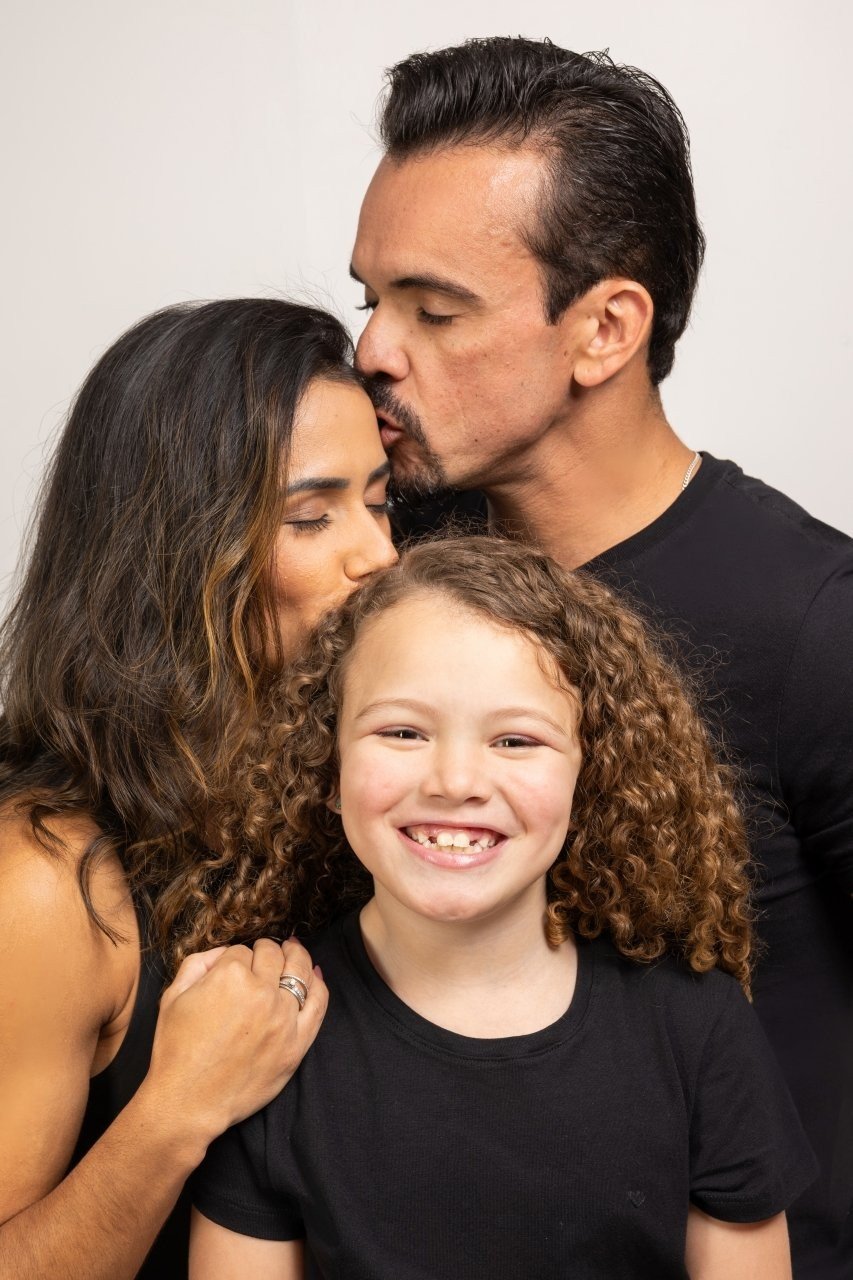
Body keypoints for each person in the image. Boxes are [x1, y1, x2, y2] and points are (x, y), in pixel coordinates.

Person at [349, 38, 853, 1278]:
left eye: (433, 309)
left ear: (605, 328)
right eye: (370, 299)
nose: (373, 350)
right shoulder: (375, 564)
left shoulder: (811, 620)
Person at [189, 535, 816, 1279]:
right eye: (402, 732)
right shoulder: (265, 1036)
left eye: (516, 740)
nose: (455, 781)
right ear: (327, 764)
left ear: (591, 774)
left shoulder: (694, 1026)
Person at [0, 297, 397, 1279]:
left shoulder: (361, 800)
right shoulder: (45, 880)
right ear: (176, 551)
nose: (379, 556)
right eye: (311, 516)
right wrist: (179, 1105)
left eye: (381, 501)